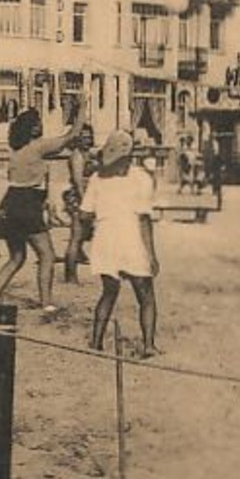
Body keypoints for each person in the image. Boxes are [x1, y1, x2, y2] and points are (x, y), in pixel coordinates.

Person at [0, 105, 83, 318]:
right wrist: (83, 107)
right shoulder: (39, 146)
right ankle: (46, 303)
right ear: (31, 128)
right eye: (37, 123)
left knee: (16, 257)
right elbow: (72, 135)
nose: (41, 125)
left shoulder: (17, 149)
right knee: (47, 255)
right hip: (28, 203)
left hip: (11, 202)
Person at [82, 130, 162, 358]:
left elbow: (84, 214)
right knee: (146, 294)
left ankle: (96, 342)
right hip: (131, 238)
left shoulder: (97, 179)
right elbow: (144, 220)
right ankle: (148, 345)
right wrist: (152, 255)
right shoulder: (141, 178)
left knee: (108, 292)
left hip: (105, 238)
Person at [63, 125, 95, 284]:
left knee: (81, 235)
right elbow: (77, 181)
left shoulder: (87, 153)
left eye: (89, 137)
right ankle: (70, 275)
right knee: (76, 237)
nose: (87, 140)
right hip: (79, 197)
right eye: (83, 137)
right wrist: (84, 202)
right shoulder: (77, 156)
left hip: (88, 196)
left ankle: (74, 263)